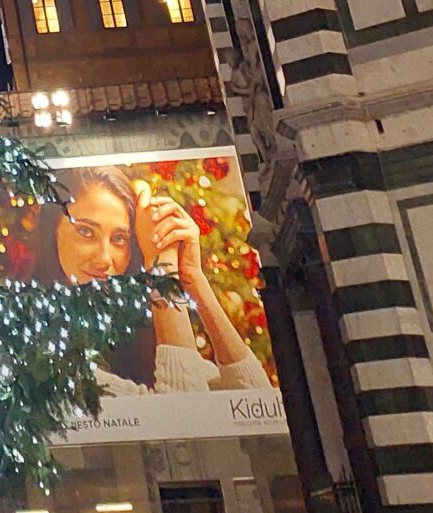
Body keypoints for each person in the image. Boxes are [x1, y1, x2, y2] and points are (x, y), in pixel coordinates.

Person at [28, 164, 274, 395]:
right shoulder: (39, 348)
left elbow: (257, 399)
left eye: (119, 239)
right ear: (52, 230)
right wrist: (163, 269)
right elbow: (190, 423)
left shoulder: (132, 336)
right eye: (85, 231)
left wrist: (192, 277)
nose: (104, 259)